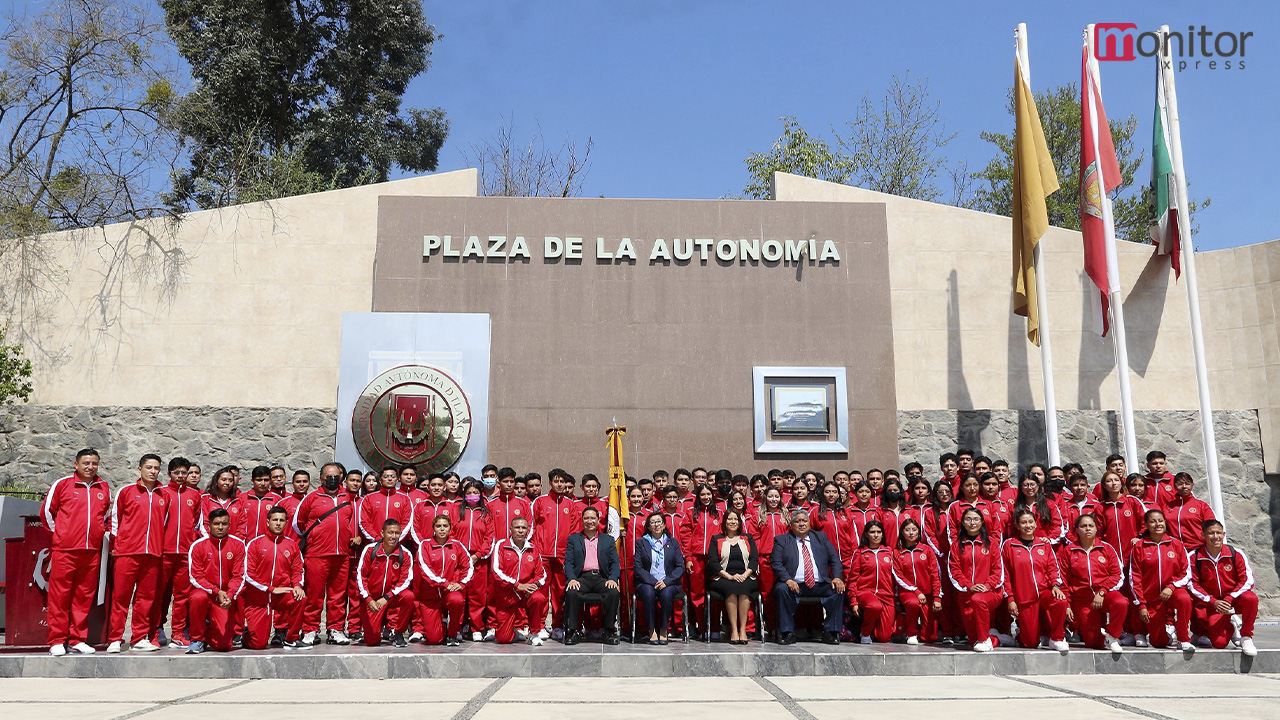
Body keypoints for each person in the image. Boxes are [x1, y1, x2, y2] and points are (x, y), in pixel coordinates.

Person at [42, 448, 112, 656]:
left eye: (94, 463)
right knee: (59, 597)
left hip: (91, 551)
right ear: (76, 464)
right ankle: (57, 640)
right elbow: (47, 512)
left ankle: (78, 639)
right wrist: (61, 536)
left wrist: (98, 536)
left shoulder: (103, 487)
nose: (90, 467)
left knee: (83, 597)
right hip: (65, 550)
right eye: (86, 463)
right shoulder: (63, 484)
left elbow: (105, 515)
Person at [106, 453, 169, 653]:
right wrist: (117, 545)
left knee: (145, 598)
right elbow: (114, 520)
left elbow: (164, 523)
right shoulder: (126, 491)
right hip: (127, 552)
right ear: (139, 469)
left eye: (156, 468)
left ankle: (139, 638)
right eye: (149, 467)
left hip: (152, 554)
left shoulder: (163, 495)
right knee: (121, 597)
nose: (152, 471)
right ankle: (115, 638)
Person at [293, 462, 356, 646]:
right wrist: (316, 537)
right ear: (321, 478)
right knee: (314, 595)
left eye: (336, 476)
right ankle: (310, 630)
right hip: (317, 555)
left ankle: (336, 629)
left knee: (338, 596)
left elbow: (349, 520)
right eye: (329, 477)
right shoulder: (312, 498)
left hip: (341, 555)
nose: (332, 479)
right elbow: (299, 523)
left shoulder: (347, 497)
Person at [770, 510, 844, 645]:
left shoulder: (821, 537)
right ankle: (787, 633)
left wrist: (837, 577)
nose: (802, 524)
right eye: (798, 521)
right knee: (781, 589)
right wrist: (788, 579)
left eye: (804, 521)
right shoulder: (782, 540)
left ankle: (830, 632)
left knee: (837, 591)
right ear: (791, 525)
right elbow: (776, 563)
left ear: (809, 524)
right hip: (794, 584)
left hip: (819, 584)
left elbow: (834, 559)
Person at [1058, 514, 1126, 653]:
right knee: (1093, 643)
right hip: (1082, 599)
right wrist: (1067, 605)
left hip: (1105, 594)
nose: (1087, 529)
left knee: (1121, 602)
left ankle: (1112, 636)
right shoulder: (1069, 551)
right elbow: (1063, 580)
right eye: (1083, 526)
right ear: (1076, 530)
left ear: (1096, 529)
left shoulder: (1106, 548)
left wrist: (1102, 592)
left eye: (1091, 526)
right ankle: (1101, 636)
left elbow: (1117, 575)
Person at [1128, 509, 1194, 651]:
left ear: (1165, 522)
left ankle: (1183, 639)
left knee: (1185, 599)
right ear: (1146, 524)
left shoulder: (1176, 544)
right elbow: (1135, 578)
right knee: (1159, 642)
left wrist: (1172, 586)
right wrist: (1141, 604)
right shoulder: (1139, 547)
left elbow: (1186, 572)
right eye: (1152, 521)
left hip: (1173, 592)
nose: (1157, 524)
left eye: (1160, 520)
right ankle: (1164, 634)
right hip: (1151, 599)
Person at [1002, 510, 1069, 651]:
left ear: (1035, 523)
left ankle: (1057, 638)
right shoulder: (1009, 545)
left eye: (1030, 522)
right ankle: (1022, 634)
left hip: (1043, 592)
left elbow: (1053, 568)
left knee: (1060, 600)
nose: (1028, 525)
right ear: (1017, 525)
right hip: (1024, 598)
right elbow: (1005, 575)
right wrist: (1010, 599)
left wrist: (1056, 585)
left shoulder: (1044, 544)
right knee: (1030, 642)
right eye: (1023, 522)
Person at [1188, 519, 1257, 655]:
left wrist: (1230, 598)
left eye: (1218, 533)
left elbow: (1247, 579)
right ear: (1203, 535)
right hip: (1213, 604)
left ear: (1224, 534)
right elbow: (1192, 584)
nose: (1215, 537)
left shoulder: (1235, 553)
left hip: (1233, 599)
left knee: (1251, 598)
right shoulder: (1194, 556)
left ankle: (1246, 636)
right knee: (1219, 643)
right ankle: (1230, 625)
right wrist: (1213, 601)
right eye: (1211, 533)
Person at [242, 507, 306, 650]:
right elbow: (248, 573)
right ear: (268, 522)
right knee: (258, 644)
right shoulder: (255, 543)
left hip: (281, 596)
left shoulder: (292, 545)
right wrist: (271, 589)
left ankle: (291, 638)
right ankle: (246, 634)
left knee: (300, 598)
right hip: (259, 598)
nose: (278, 523)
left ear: (286, 523)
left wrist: (297, 585)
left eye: (282, 520)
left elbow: (298, 569)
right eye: (275, 520)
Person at [186, 508, 246, 653]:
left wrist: (230, 595)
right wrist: (216, 591)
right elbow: (195, 576)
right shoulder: (198, 546)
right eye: (216, 523)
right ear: (208, 526)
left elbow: (239, 575)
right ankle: (197, 639)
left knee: (223, 646)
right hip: (206, 593)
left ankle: (208, 629)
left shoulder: (238, 545)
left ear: (229, 525)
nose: (220, 527)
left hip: (225, 597)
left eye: (224, 524)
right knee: (197, 597)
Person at [157, 456, 202, 649]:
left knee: (182, 595)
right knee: (160, 594)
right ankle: (156, 629)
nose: (182, 476)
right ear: (169, 474)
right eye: (177, 472)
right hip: (164, 552)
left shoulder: (194, 495)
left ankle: (177, 633)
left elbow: (196, 523)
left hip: (185, 553)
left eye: (185, 472)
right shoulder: (162, 493)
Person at [563, 506, 621, 645]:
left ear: (598, 520)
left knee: (613, 592)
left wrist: (613, 578)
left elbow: (615, 562)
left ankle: (608, 631)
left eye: (592, 518)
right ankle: (573, 631)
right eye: (586, 518)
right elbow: (569, 562)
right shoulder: (573, 539)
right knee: (571, 593)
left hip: (601, 577)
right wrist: (571, 579)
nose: (590, 521)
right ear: (582, 520)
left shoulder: (607, 540)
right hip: (582, 578)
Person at [947, 508, 1004, 652]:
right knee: (973, 640)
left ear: (982, 522)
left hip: (990, 592)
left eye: (976, 519)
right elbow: (954, 570)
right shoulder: (956, 545)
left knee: (978, 600)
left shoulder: (991, 544)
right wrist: (969, 586)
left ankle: (985, 640)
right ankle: (996, 639)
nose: (972, 523)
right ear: (963, 523)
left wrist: (987, 585)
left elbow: (998, 570)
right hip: (966, 594)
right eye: (968, 519)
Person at [356, 519, 415, 648]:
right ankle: (381, 627)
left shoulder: (405, 554)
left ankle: (397, 631)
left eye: (397, 533)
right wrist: (368, 599)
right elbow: (361, 576)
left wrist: (388, 596)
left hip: (392, 597)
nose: (393, 537)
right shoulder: (370, 550)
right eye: (390, 533)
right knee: (371, 641)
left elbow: (405, 580)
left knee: (409, 596)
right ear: (382, 533)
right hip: (373, 600)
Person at [531, 469, 576, 637]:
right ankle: (540, 625)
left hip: (562, 556)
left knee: (559, 593)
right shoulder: (540, 502)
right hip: (542, 554)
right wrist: (535, 550)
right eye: (556, 481)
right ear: (550, 483)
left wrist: (569, 554)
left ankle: (557, 626)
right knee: (541, 592)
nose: (559, 484)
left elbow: (574, 530)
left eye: (562, 482)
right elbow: (532, 526)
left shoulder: (570, 505)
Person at [490, 517, 549, 646]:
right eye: (517, 527)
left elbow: (542, 573)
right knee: (503, 639)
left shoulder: (533, 548)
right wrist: (517, 585)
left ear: (528, 530)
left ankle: (534, 633)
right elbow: (496, 571)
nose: (521, 531)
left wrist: (534, 585)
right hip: (508, 594)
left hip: (527, 593)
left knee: (538, 597)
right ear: (510, 529)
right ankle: (514, 632)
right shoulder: (501, 545)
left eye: (524, 528)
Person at [416, 514, 473, 646]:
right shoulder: (425, 545)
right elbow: (425, 569)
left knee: (457, 600)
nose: (442, 529)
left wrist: (462, 583)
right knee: (434, 640)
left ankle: (453, 633)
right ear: (433, 528)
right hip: (430, 595)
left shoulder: (457, 545)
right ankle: (442, 623)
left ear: (450, 528)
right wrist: (444, 584)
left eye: (445, 526)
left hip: (450, 592)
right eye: (438, 526)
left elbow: (468, 565)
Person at [707, 509, 759, 645]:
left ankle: (743, 630)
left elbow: (754, 559)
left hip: (745, 576)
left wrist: (744, 575)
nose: (733, 522)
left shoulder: (748, 538)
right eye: (729, 519)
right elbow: (713, 562)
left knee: (743, 588)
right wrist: (729, 576)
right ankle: (734, 630)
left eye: (735, 519)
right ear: (724, 522)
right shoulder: (716, 539)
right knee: (731, 588)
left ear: (739, 522)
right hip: (723, 577)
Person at [634, 512, 685, 644]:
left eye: (659, 522)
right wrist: (654, 582)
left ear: (663, 524)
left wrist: (666, 581)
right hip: (647, 582)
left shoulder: (672, 542)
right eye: (652, 522)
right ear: (649, 527)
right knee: (648, 594)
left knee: (667, 594)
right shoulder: (642, 542)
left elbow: (680, 566)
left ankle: (663, 629)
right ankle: (651, 630)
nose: (656, 525)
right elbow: (638, 568)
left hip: (668, 582)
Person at [454, 479, 494, 641]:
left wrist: (477, 555)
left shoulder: (486, 514)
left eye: (475, 493)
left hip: (479, 560)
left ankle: (477, 628)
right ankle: (456, 627)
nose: (472, 496)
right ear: (464, 495)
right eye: (469, 493)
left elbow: (489, 537)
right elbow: (449, 533)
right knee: (459, 594)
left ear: (481, 494)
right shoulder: (456, 510)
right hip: (459, 560)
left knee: (478, 595)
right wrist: (461, 556)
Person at [892, 517, 941, 645]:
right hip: (908, 592)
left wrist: (937, 597)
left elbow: (935, 574)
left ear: (919, 532)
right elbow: (898, 576)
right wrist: (916, 591)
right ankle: (911, 632)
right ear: (902, 532)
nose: (911, 533)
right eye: (907, 530)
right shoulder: (897, 552)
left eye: (914, 529)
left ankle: (921, 631)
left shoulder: (927, 550)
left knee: (929, 637)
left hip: (927, 594)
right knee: (913, 603)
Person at [681, 484, 719, 638]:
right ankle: (701, 627)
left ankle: (714, 628)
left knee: (715, 593)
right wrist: (688, 557)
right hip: (696, 558)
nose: (706, 497)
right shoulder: (691, 513)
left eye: (708, 494)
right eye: (702, 494)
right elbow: (685, 536)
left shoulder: (719, 513)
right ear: (698, 496)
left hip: (715, 559)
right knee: (697, 594)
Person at [849, 520, 895, 644]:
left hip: (886, 595)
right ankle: (865, 632)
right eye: (872, 532)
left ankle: (874, 628)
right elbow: (853, 578)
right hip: (866, 592)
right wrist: (853, 601)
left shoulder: (889, 552)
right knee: (874, 606)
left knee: (884, 638)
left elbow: (897, 576)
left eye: (879, 532)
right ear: (866, 534)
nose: (876, 535)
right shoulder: (860, 552)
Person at [1161, 472, 1215, 553]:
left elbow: (1211, 527)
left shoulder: (1202, 506)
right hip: (1175, 549)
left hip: (1198, 549)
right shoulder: (1167, 506)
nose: (1184, 486)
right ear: (1175, 486)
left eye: (1187, 483)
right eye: (1180, 484)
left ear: (1192, 485)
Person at [1010, 472, 1064, 544]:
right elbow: (1010, 529)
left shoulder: (1049, 504)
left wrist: (1050, 539)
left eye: (1032, 484)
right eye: (1025, 485)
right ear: (1021, 487)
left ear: (1038, 486)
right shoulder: (1014, 506)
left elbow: (1058, 526)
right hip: (1021, 547)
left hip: (1045, 546)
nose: (1029, 488)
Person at [239, 466, 283, 541]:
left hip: (268, 543)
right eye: (259, 480)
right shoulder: (241, 498)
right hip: (245, 542)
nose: (263, 483)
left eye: (266, 480)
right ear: (252, 481)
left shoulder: (277, 500)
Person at [201, 466, 243, 536]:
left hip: (232, 544)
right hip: (211, 542)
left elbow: (242, 525)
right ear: (216, 481)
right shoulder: (205, 499)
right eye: (223, 479)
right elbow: (204, 522)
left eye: (230, 480)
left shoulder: (238, 501)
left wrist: (235, 541)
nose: (227, 483)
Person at [278, 470, 311, 542]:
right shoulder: (283, 503)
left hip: (310, 547)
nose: (302, 484)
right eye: (298, 482)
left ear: (309, 483)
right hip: (288, 545)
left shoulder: (314, 502)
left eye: (305, 481)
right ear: (292, 484)